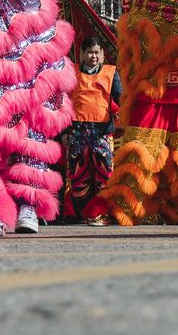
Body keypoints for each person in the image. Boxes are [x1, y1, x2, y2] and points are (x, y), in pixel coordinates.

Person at [57, 36, 118, 223]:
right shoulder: (72, 73)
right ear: (82, 54)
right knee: (76, 174)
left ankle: (104, 212)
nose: (93, 56)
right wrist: (64, 132)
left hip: (102, 131)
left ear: (102, 55)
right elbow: (63, 103)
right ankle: (75, 215)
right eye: (90, 52)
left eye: (97, 52)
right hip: (77, 130)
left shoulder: (111, 73)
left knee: (105, 173)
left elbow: (121, 97)